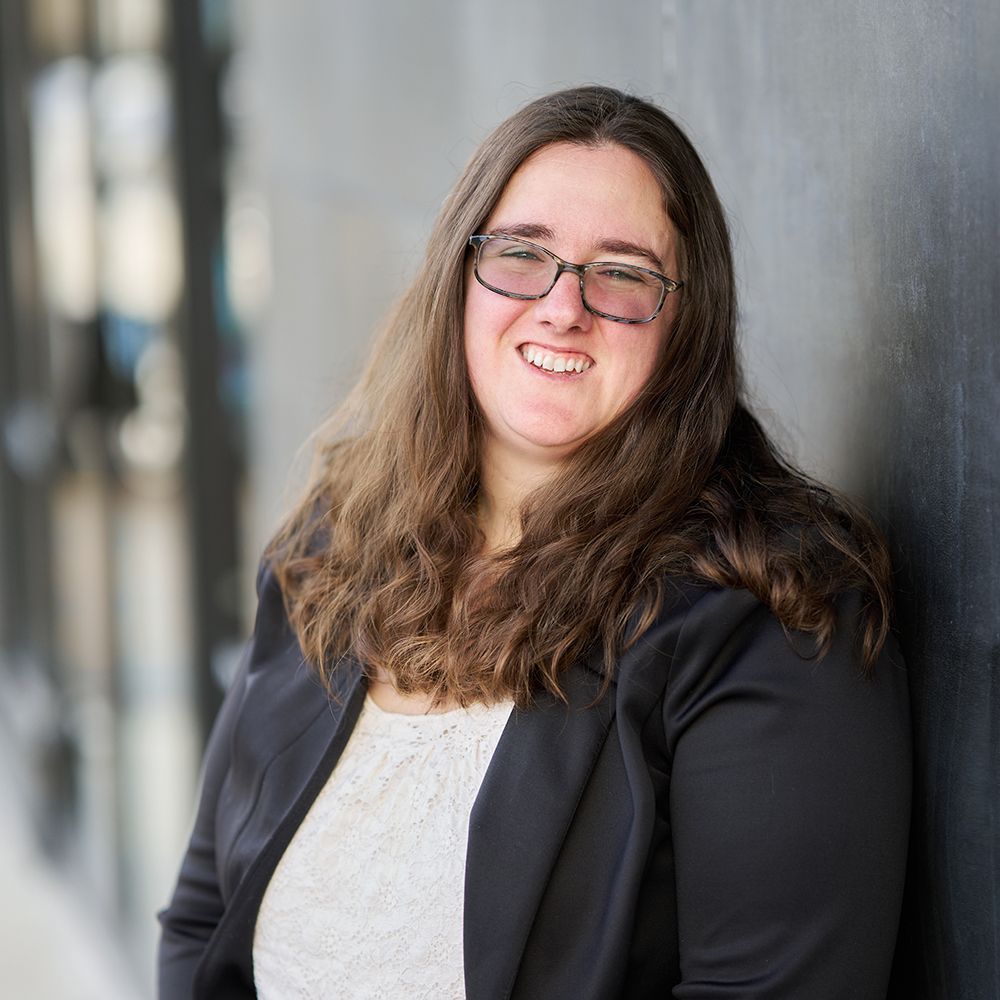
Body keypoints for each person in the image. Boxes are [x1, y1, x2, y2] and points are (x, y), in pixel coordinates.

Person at [158, 85, 911, 999]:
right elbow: (204, 912)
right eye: (522, 255)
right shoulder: (337, 542)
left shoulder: (773, 610)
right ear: (458, 277)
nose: (563, 307)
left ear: (687, 324)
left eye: (623, 274)